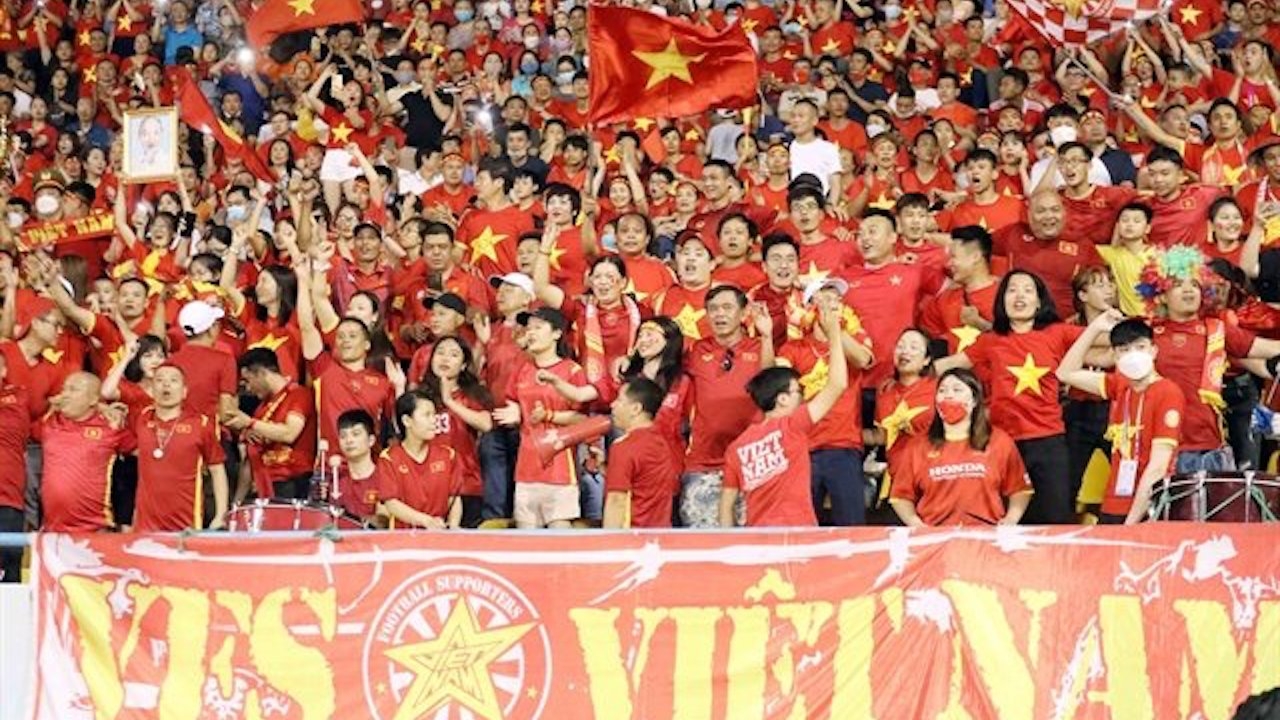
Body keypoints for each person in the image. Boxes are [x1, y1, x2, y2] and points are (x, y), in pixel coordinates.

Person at [721, 301, 846, 527]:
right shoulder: (792, 425)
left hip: (758, 538)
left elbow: (725, 506)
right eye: (799, 391)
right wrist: (835, 336)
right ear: (782, 399)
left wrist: (732, 544)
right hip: (797, 532)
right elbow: (837, 385)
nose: (803, 397)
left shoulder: (736, 448)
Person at [1057, 313, 1185, 524]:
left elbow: (1158, 466)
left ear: (1154, 351)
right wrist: (1095, 328)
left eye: (1140, 347)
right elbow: (1065, 373)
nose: (1133, 355)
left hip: (1148, 507)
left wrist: (1130, 523)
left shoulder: (1167, 392)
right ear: (1115, 358)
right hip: (1113, 502)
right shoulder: (1119, 385)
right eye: (1124, 350)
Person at [889, 368, 1035, 527]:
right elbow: (900, 496)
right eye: (942, 390)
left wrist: (1011, 520)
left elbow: (1020, 489)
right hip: (935, 534)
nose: (948, 395)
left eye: (957, 390)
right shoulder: (918, 445)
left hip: (986, 533)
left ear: (974, 400)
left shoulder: (999, 441)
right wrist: (915, 524)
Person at [681, 286, 774, 527]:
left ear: (743, 313)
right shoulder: (695, 350)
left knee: (751, 540)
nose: (719, 314)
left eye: (727, 307)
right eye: (713, 309)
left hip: (752, 462)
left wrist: (766, 337)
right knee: (702, 539)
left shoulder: (759, 347)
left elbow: (771, 386)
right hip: (704, 463)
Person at [131, 364, 229, 532]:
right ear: (151, 390)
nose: (166, 384)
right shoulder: (142, 418)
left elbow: (217, 469)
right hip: (145, 525)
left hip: (186, 523)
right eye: (159, 380)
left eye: (173, 380)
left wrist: (220, 514)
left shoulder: (201, 424)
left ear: (184, 391)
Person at [40, 372, 135, 532]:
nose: (65, 394)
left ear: (92, 399)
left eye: (73, 389)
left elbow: (145, 455)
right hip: (53, 531)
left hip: (96, 529)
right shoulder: (50, 421)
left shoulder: (111, 427)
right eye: (64, 389)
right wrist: (101, 406)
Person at [226, 348, 317, 502]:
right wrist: (237, 503)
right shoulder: (260, 410)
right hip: (264, 487)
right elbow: (249, 461)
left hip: (292, 482)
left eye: (248, 380)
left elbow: (290, 433)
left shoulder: (299, 394)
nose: (248, 388)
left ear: (261, 373)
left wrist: (250, 423)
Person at [603, 378, 681, 529]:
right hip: (660, 534)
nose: (613, 405)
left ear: (635, 409)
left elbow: (617, 500)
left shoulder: (624, 447)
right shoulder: (663, 444)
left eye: (619, 400)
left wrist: (610, 539)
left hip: (632, 536)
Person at [379, 389, 462, 530]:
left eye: (434, 414)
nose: (434, 420)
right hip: (403, 537)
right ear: (407, 421)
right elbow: (391, 503)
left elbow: (454, 498)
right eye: (427, 415)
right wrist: (426, 521)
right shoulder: (389, 458)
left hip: (439, 534)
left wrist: (453, 526)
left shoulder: (448, 455)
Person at [333, 409, 386, 528]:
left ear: (371, 440)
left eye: (356, 434)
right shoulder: (336, 480)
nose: (349, 441)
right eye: (343, 436)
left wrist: (351, 522)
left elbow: (383, 521)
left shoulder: (384, 478)